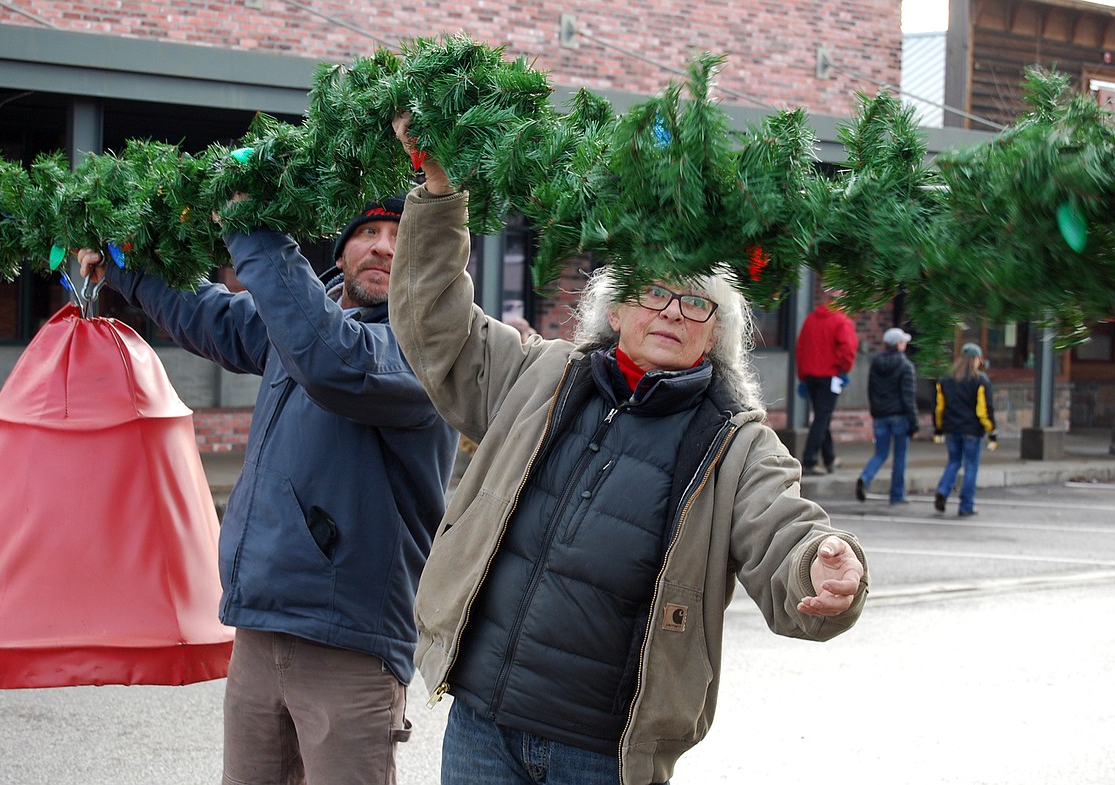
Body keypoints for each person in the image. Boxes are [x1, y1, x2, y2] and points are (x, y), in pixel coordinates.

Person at [388, 122, 869, 785]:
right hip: (482, 721)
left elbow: (784, 528)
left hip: (602, 752)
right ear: (615, 311)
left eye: (696, 302)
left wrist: (823, 568)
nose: (673, 310)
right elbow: (432, 325)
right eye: (654, 292)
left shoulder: (735, 442)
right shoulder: (538, 376)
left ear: (715, 336)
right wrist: (440, 194)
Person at [76, 197, 457, 785]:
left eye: (400, 236)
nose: (383, 245)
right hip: (259, 628)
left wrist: (253, 232)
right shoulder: (306, 322)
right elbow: (211, 315)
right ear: (342, 249)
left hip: (350, 646)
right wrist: (121, 267)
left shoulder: (429, 347)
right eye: (368, 231)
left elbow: (335, 362)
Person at [795, 288, 857, 475]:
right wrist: (843, 369)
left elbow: (800, 348)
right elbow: (848, 349)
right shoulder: (841, 320)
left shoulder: (811, 319)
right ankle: (809, 460)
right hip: (830, 376)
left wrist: (802, 375)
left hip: (811, 377)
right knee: (822, 418)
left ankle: (829, 458)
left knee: (823, 417)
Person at [856, 327, 919, 504]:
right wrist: (913, 421)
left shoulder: (876, 363)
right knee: (900, 456)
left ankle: (865, 477)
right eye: (903, 341)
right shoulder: (906, 366)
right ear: (898, 344)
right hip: (900, 416)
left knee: (880, 453)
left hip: (881, 416)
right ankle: (897, 494)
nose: (905, 344)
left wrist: (875, 411)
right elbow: (908, 396)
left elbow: (871, 389)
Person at [933, 342, 997, 516]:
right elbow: (983, 410)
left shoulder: (946, 379)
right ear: (976, 359)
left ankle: (943, 491)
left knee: (953, 462)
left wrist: (938, 429)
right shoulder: (980, 380)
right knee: (971, 467)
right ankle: (966, 505)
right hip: (972, 431)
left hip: (951, 429)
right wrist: (992, 431)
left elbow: (939, 407)